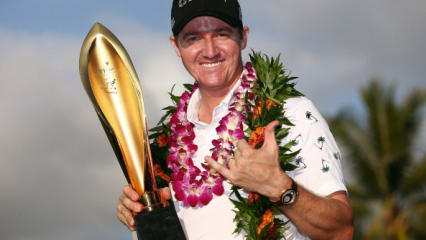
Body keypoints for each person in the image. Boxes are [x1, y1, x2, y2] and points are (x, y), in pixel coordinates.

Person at [117, 0, 354, 239]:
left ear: (243, 37)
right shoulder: (166, 145)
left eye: (222, 34)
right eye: (193, 38)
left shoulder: (292, 113)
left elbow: (342, 232)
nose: (210, 51)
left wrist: (279, 188)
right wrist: (142, 209)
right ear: (176, 46)